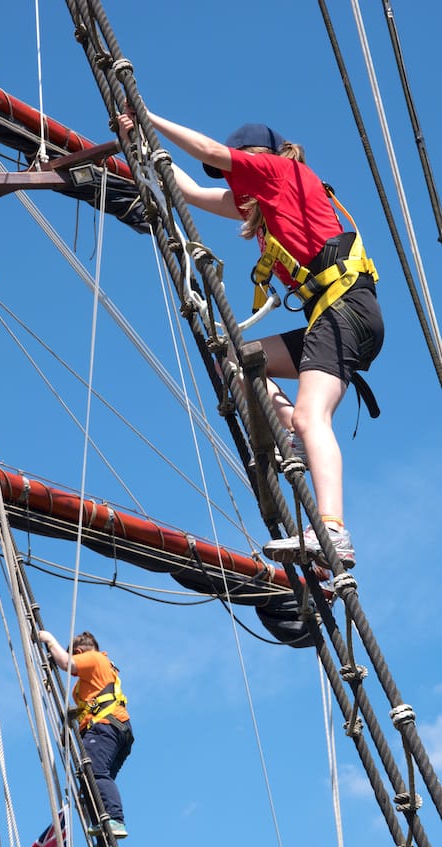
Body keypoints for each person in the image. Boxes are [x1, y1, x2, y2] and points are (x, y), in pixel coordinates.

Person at [117, 108, 384, 569]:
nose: (227, 180)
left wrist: (147, 118)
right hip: (333, 316)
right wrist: (140, 146)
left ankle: (334, 532)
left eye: (231, 170)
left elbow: (209, 153)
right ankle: (297, 438)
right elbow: (192, 191)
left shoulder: (282, 172)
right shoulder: (260, 204)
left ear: (251, 160)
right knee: (240, 365)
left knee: (311, 413)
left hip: (345, 310)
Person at [38, 628, 133, 838]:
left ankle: (115, 820)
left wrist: (48, 639)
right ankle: (105, 835)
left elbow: (66, 663)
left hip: (106, 727)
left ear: (79, 652)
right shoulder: (90, 683)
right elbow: (84, 711)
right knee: (92, 783)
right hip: (115, 729)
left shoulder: (95, 659)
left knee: (96, 773)